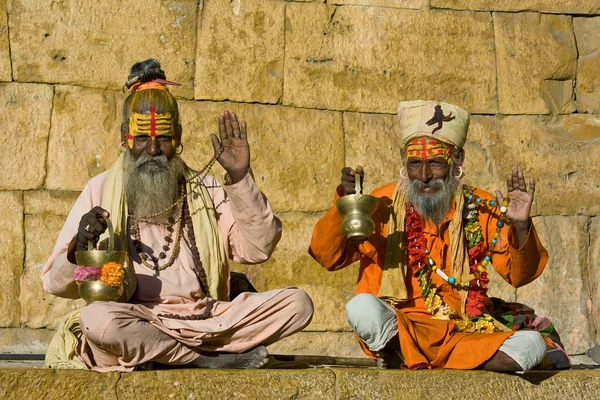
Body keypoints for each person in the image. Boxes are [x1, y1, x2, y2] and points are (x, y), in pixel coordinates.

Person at [41, 59, 313, 372]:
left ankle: (164, 354)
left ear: (179, 138)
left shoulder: (204, 187)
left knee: (298, 304)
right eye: (142, 138)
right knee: (97, 320)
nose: (153, 149)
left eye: (164, 138)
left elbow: (258, 248)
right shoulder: (100, 188)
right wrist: (81, 245)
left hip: (208, 319)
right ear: (124, 137)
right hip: (138, 319)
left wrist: (240, 176)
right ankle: (207, 360)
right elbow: (54, 283)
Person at [309, 100, 569, 371]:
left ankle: (410, 357)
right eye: (415, 164)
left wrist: (520, 226)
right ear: (403, 161)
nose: (424, 176)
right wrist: (347, 205)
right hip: (401, 326)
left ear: (458, 161)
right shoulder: (379, 204)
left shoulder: (480, 206)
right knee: (361, 309)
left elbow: (520, 275)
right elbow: (327, 257)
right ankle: (434, 356)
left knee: (531, 347)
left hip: (465, 331)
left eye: (435, 163)